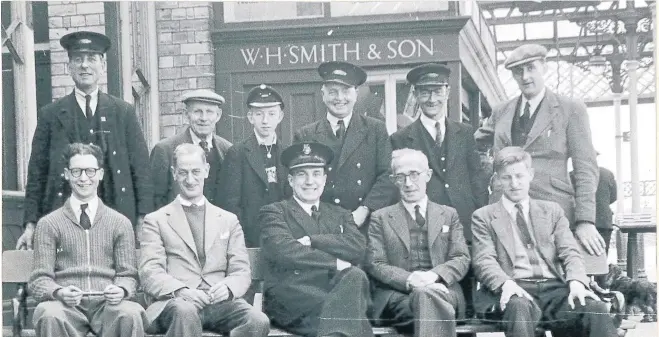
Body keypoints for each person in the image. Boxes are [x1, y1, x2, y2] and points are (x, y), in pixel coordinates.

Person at [18, 31, 152, 249]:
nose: (84, 66)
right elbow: (37, 175)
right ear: (69, 66)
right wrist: (30, 224)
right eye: (78, 59)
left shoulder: (123, 112)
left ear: (102, 65)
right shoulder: (51, 115)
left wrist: (142, 220)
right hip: (63, 218)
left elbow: (141, 171)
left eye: (91, 58)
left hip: (116, 212)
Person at [471, 146, 619, 337]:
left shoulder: (551, 211)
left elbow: (570, 252)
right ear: (498, 179)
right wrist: (505, 284)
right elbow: (484, 260)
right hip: (514, 288)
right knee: (518, 306)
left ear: (530, 175)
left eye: (519, 176)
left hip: (553, 291)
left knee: (594, 308)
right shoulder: (484, 216)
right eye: (507, 177)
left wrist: (576, 281)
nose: (514, 183)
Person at [474, 43, 602, 258]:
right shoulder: (501, 111)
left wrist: (585, 220)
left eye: (531, 68)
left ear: (545, 67)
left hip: (552, 210)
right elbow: (472, 145)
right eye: (518, 71)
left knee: (552, 277)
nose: (525, 77)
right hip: (504, 209)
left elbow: (586, 167)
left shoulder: (570, 109)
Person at [139, 143, 269, 337]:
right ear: (174, 173)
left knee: (258, 321)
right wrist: (182, 291)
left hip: (218, 303)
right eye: (183, 173)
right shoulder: (156, 220)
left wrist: (227, 287)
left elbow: (241, 270)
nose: (190, 179)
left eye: (196, 172)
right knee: (185, 312)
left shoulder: (228, 220)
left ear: (206, 171)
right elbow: (150, 271)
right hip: (176, 303)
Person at [29, 143, 147, 337]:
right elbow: (39, 279)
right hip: (67, 306)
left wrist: (122, 289)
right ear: (67, 174)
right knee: (48, 314)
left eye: (90, 171)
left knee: (130, 314)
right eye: (76, 171)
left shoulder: (120, 223)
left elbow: (129, 274)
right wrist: (59, 292)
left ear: (100, 174)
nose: (84, 178)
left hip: (108, 306)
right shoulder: (49, 224)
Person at [259, 142, 373, 337]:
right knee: (353, 301)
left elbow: (357, 247)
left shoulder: (340, 214)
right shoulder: (275, 212)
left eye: (316, 174)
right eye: (302, 174)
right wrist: (335, 262)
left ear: (325, 179)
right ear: (291, 180)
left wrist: (314, 240)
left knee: (354, 277)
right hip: (293, 298)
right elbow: (285, 251)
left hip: (333, 293)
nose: (310, 181)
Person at [366, 148, 470, 337]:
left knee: (426, 299)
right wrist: (410, 280)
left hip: (443, 289)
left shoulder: (448, 214)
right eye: (401, 177)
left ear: (428, 175)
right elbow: (376, 263)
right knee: (426, 299)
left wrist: (432, 276)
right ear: (393, 180)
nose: (408, 183)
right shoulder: (380, 218)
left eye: (414, 174)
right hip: (399, 297)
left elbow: (461, 257)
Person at [293, 61, 395, 235]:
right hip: (321, 228)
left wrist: (364, 210)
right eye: (333, 92)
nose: (339, 98)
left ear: (356, 94)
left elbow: (387, 176)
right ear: (323, 94)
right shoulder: (305, 135)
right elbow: (298, 183)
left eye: (346, 91)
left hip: (366, 226)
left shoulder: (375, 129)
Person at [391, 63, 488, 241]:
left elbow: (477, 178)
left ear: (448, 92)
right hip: (424, 225)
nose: (432, 99)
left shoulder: (465, 132)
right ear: (415, 95)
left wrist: (479, 214)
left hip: (464, 222)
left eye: (437, 91)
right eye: (425, 92)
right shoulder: (401, 138)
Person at [217, 84, 289, 247]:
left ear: (280, 116)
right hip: (249, 238)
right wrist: (241, 239)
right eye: (259, 114)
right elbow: (230, 203)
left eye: (271, 114)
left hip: (284, 237)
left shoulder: (287, 153)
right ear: (250, 117)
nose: (265, 121)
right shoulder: (238, 152)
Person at [149, 89, 232, 210]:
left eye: (209, 112)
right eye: (197, 112)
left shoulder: (228, 150)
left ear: (218, 115)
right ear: (186, 114)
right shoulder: (165, 150)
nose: (203, 118)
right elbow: (155, 200)